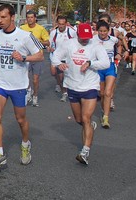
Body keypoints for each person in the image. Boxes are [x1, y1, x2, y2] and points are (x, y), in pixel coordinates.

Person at [0, 4, 43, 170]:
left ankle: (25, 143)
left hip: (18, 84)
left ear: (13, 17)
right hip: (0, 82)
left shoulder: (25, 36)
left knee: (20, 119)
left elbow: (40, 55)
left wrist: (24, 58)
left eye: (4, 17)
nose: (0, 20)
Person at [50, 23, 109, 165]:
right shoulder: (68, 44)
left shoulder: (96, 45)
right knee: (79, 120)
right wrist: (59, 64)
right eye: (83, 37)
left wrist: (90, 63)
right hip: (72, 85)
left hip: (89, 86)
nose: (85, 40)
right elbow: (55, 57)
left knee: (86, 117)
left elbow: (106, 63)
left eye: (87, 37)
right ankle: (89, 126)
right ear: (77, 34)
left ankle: (85, 152)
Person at [19, 11, 49, 107]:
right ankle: (28, 92)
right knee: (25, 77)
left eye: (32, 17)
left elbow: (47, 42)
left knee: (35, 79)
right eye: (28, 17)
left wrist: (36, 42)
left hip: (37, 56)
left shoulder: (41, 29)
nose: (30, 19)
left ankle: (35, 95)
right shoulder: (22, 28)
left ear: (35, 18)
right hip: (25, 57)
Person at [94, 20, 119, 128]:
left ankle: (106, 118)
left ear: (108, 31)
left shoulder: (113, 39)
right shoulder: (93, 40)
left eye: (105, 31)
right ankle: (104, 108)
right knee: (102, 93)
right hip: (99, 69)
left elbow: (120, 43)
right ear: (97, 31)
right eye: (100, 31)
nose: (103, 33)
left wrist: (120, 53)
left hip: (110, 68)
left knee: (108, 93)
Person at [48, 16, 76, 102]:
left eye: (63, 24)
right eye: (59, 24)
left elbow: (76, 42)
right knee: (54, 74)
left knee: (63, 76)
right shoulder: (53, 32)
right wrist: (49, 48)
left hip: (67, 57)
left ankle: (65, 93)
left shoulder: (71, 32)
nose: (61, 26)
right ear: (57, 24)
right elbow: (50, 43)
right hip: (57, 57)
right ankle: (59, 84)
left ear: (66, 24)